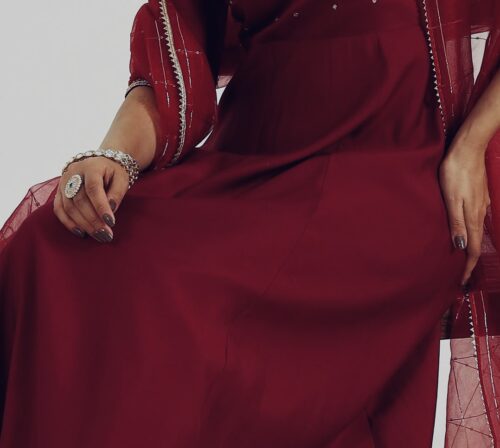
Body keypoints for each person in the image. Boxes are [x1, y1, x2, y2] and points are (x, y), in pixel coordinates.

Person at [0, 0, 499, 446]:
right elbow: (175, 60)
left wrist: (471, 146)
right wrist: (113, 157)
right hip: (252, 161)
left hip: (393, 171)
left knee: (165, 299)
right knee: (53, 248)